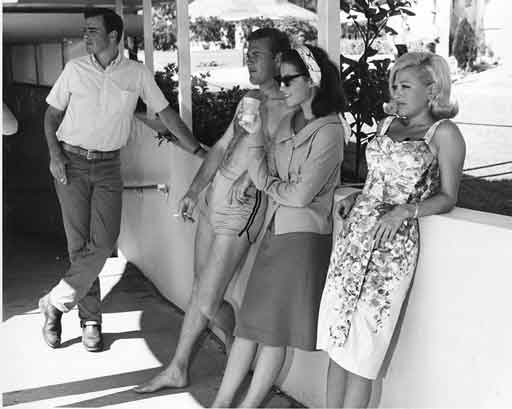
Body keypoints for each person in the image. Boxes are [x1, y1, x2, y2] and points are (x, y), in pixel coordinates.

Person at [133, 28, 292, 393]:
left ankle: (234, 348)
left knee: (207, 296)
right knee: (201, 291)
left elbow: (283, 162)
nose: (247, 59)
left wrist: (251, 181)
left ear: (278, 60)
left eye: (255, 54)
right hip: (214, 199)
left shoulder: (288, 107)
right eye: (247, 53)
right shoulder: (250, 99)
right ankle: (179, 366)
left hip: (242, 210)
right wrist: (194, 190)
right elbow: (222, 147)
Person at [39, 7, 205, 353]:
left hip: (108, 167)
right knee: (79, 246)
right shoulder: (74, 70)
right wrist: (55, 156)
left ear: (114, 37)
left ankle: (54, 302)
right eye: (84, 31)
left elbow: (165, 114)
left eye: (92, 31)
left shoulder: (136, 74)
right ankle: (91, 321)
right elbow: (51, 115)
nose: (86, 37)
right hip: (70, 162)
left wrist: (199, 151)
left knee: (102, 244)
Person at [317, 52, 466, 408]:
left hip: (391, 249)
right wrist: (356, 197)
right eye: (393, 85)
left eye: (405, 86)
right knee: (337, 344)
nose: (396, 93)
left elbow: (448, 197)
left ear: (432, 89)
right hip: (354, 240)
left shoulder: (444, 134)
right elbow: (377, 182)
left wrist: (406, 211)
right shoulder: (387, 126)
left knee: (363, 351)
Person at [212, 45, 347, 408]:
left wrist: (265, 182)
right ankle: (224, 404)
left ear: (313, 81)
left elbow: (300, 195)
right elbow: (265, 164)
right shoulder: (290, 120)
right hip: (278, 232)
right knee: (252, 327)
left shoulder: (330, 131)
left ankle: (241, 405)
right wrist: (255, 133)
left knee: (270, 333)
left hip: (302, 239)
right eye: (280, 78)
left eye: (289, 79)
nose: (281, 85)